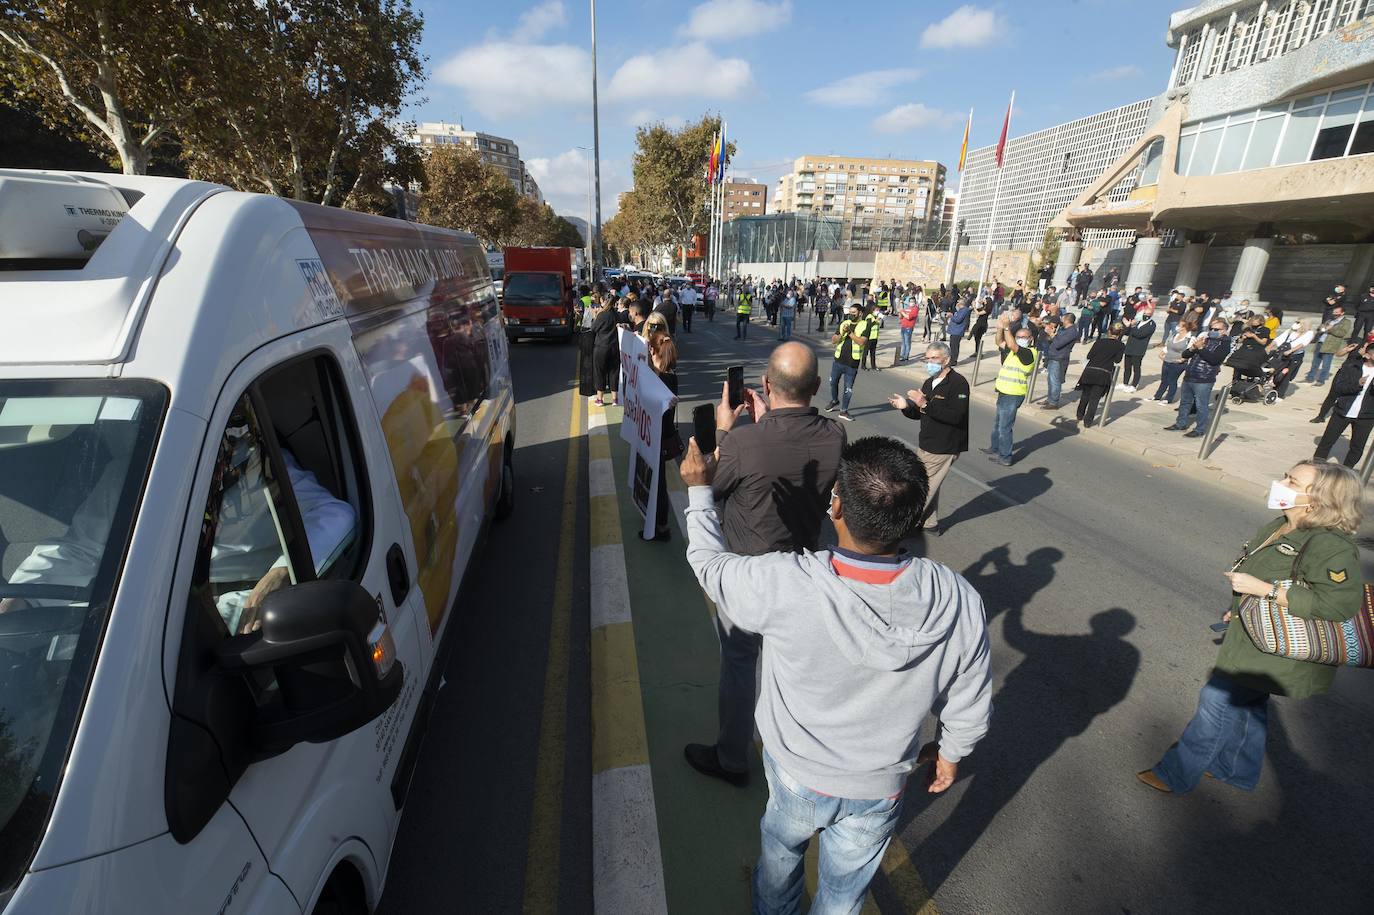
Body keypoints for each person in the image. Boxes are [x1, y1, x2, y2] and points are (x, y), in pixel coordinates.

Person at [680, 434, 991, 913]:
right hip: (880, 786)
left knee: (781, 859)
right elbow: (970, 696)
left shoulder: (788, 581)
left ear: (837, 506)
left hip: (796, 772)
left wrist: (700, 491)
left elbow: (710, 566)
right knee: (844, 894)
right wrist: (950, 752)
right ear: (913, 517)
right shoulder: (956, 597)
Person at [1139, 461, 1363, 795]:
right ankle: (1235, 769)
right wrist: (1239, 609)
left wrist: (1264, 590)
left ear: (1318, 499)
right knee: (1248, 703)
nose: (1281, 483)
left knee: (1217, 700)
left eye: (1292, 481)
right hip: (1255, 637)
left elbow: (1338, 605)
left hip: (1279, 647)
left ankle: (1175, 774)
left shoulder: (1330, 545)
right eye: (1285, 476)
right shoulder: (1283, 525)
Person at [683, 344, 847, 788]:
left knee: (740, 664)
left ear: (766, 385)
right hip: (804, 570)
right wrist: (766, 421)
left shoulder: (742, 442)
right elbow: (790, 451)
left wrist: (724, 429)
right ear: (817, 387)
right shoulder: (834, 435)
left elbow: (708, 486)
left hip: (748, 574)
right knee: (788, 669)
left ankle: (732, 757)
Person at [887, 342, 968, 535]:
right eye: (927, 358)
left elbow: (957, 416)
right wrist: (906, 406)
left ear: (946, 360)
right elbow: (920, 413)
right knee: (930, 483)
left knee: (921, 487)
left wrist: (924, 403)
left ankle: (905, 525)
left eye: (934, 358)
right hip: (927, 442)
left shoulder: (958, 383)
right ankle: (930, 524)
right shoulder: (929, 382)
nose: (930, 362)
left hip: (944, 445)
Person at [1164, 317, 1230, 437]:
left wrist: (1200, 348)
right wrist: (1193, 348)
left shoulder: (1224, 344)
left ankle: (1200, 429)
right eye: (1211, 328)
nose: (1212, 331)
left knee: (1201, 405)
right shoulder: (1205, 340)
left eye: (1216, 329)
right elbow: (1185, 355)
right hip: (1190, 375)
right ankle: (1180, 423)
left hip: (1204, 379)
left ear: (1224, 331)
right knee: (1185, 402)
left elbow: (1214, 360)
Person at [1313, 344, 1374, 467]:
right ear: (1367, 355)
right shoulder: (1352, 366)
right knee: (1327, 441)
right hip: (1343, 411)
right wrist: (1357, 384)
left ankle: (1346, 472)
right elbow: (1339, 387)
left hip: (1366, 416)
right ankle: (1316, 468)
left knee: (1357, 447)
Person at [987, 322, 1036, 466]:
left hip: (1013, 394)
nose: (1020, 339)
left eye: (1024, 337)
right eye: (1018, 337)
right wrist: (1000, 328)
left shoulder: (1028, 353)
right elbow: (999, 342)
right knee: (998, 423)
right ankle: (995, 448)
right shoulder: (1013, 351)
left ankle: (1005, 457)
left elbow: (1012, 344)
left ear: (1031, 339)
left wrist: (1007, 327)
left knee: (1005, 427)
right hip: (1004, 391)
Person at [1075, 323, 1125, 427]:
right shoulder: (1120, 345)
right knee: (1095, 399)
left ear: (1109, 331)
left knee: (1085, 395)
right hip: (1103, 372)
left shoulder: (1099, 341)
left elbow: (1089, 356)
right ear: (1119, 333)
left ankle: (1080, 414)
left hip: (1090, 370)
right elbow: (1117, 360)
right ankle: (1088, 422)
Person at [826, 303, 865, 422]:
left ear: (860, 313)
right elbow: (834, 340)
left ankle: (843, 411)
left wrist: (849, 333)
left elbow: (861, 342)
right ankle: (834, 400)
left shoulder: (864, 325)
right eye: (850, 312)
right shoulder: (844, 323)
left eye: (854, 312)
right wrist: (842, 333)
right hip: (838, 360)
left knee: (848, 389)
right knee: (833, 382)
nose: (851, 314)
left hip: (852, 363)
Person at [1152, 318, 1196, 404]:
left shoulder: (1190, 338)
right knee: (1164, 380)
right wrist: (1162, 353)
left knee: (1172, 380)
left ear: (1184, 328)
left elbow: (1191, 351)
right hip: (1167, 360)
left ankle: (1168, 399)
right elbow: (1169, 346)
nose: (1177, 327)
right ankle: (1157, 396)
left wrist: (1182, 359)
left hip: (1178, 364)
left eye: (1179, 325)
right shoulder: (1175, 335)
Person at [1304, 305, 1351, 386]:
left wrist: (1330, 329)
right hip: (1320, 343)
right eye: (1334, 312)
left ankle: (1321, 380)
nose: (1334, 313)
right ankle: (1310, 378)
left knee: (1326, 364)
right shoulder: (1330, 320)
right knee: (1315, 363)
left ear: (1342, 313)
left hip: (1330, 345)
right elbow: (1320, 328)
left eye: (1336, 312)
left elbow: (1342, 333)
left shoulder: (1346, 322)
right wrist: (1321, 328)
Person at [1040, 312, 1079, 409]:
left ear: (1067, 320)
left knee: (1055, 380)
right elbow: (1053, 340)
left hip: (1059, 358)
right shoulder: (1062, 329)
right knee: (1050, 379)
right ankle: (1050, 399)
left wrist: (1052, 334)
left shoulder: (1072, 332)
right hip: (1053, 356)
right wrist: (1050, 334)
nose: (1061, 320)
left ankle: (1053, 402)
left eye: (1062, 318)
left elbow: (1059, 344)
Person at [590, 295, 623, 407]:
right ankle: (615, 399)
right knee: (614, 372)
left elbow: (593, 328)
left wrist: (594, 316)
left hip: (601, 346)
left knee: (600, 372)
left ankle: (600, 399)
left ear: (603, 301)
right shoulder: (616, 315)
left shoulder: (602, 315)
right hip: (614, 346)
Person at [1118, 301, 1157, 392]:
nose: (1145, 315)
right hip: (1129, 347)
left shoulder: (1151, 324)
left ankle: (1134, 385)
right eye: (1144, 313)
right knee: (1127, 367)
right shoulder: (1138, 322)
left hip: (1138, 349)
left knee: (1136, 368)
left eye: (1148, 314)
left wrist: (1132, 326)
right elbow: (1127, 332)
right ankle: (1125, 383)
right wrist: (1127, 326)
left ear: (1151, 315)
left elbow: (1140, 334)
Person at [1269, 320, 1313, 398]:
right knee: (1277, 372)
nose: (1296, 324)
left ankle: (1280, 395)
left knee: (1286, 375)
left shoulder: (1309, 333)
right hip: (1283, 354)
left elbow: (1302, 344)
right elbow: (1279, 339)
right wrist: (1269, 347)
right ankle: (1274, 391)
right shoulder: (1290, 331)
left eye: (1298, 323)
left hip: (1295, 356)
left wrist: (1291, 350)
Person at [947, 297, 971, 365]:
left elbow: (958, 319)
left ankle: (953, 361)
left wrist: (951, 316)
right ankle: (952, 360)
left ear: (960, 304)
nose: (956, 304)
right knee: (952, 346)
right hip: (955, 331)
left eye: (957, 302)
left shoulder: (964, 310)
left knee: (954, 347)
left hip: (957, 331)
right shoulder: (961, 310)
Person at [898, 294, 920, 361]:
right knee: (903, 342)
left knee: (907, 342)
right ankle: (902, 355)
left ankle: (906, 356)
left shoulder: (915, 309)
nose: (911, 303)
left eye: (913, 302)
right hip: (903, 326)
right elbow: (901, 317)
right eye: (910, 301)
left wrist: (902, 312)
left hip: (909, 327)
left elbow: (908, 317)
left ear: (915, 302)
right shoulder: (907, 308)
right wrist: (900, 312)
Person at [861, 304, 881, 371]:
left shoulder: (876, 316)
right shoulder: (869, 317)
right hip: (869, 337)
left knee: (873, 353)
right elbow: (869, 325)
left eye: (879, 310)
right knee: (865, 352)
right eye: (877, 310)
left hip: (874, 337)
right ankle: (863, 366)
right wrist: (875, 320)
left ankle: (873, 366)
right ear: (873, 310)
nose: (878, 311)